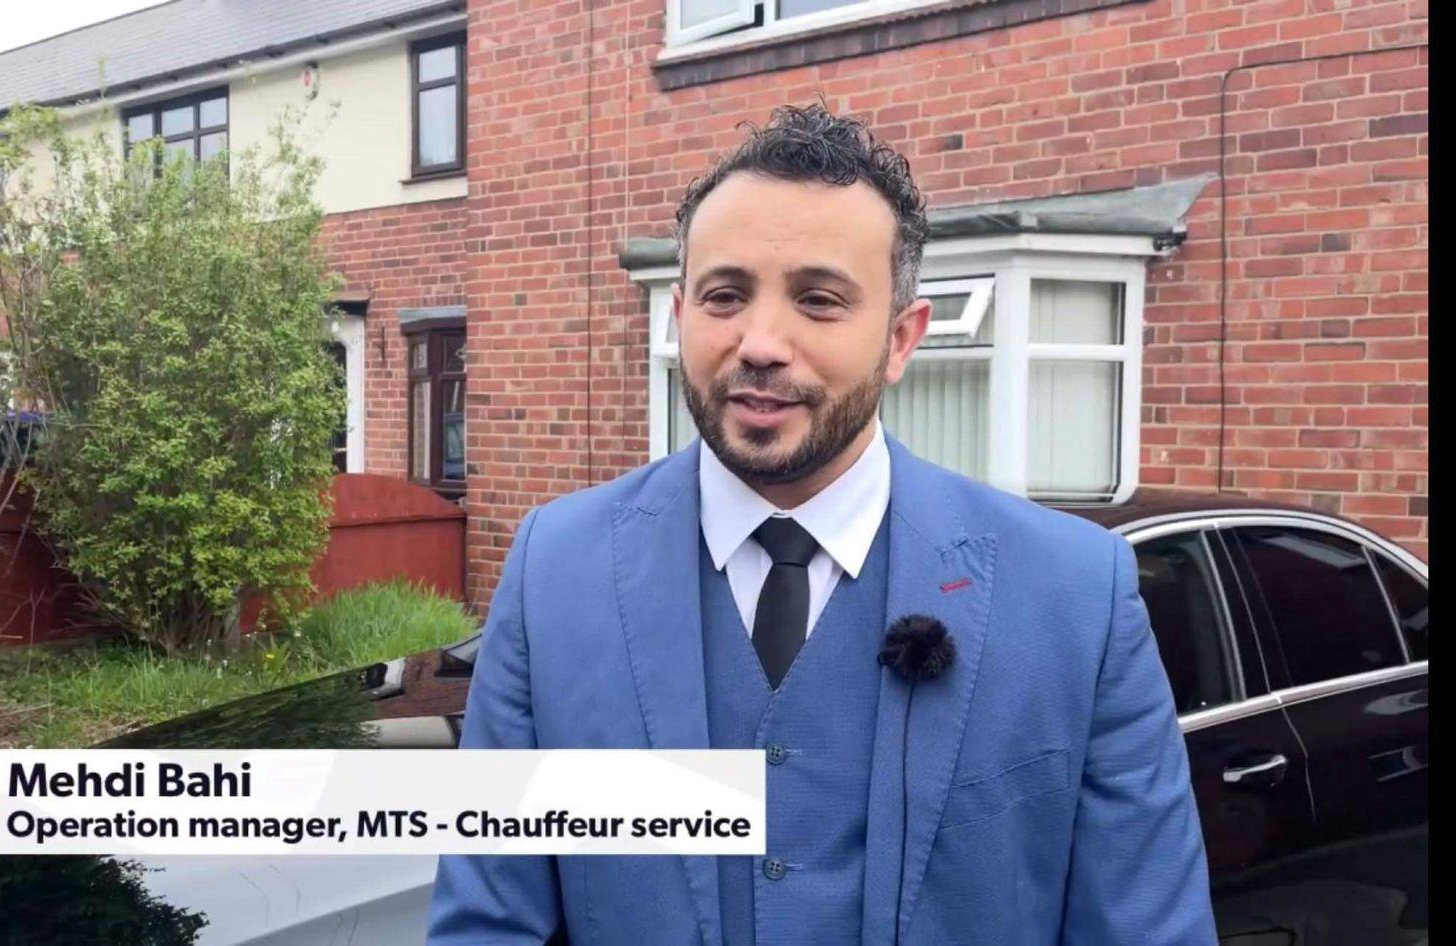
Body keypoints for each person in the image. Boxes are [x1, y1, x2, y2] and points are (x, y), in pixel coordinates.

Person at [427, 103, 1215, 946]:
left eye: (819, 299)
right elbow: (489, 922)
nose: (761, 342)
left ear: (902, 340)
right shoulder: (555, 572)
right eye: (725, 295)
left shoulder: (1076, 595)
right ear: (679, 316)